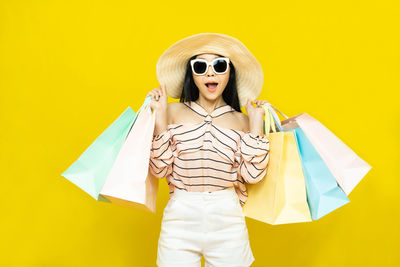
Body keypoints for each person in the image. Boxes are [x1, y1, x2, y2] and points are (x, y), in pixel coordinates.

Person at [147, 33, 270, 267]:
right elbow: (159, 170)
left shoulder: (243, 120)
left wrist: (256, 124)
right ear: (192, 74)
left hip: (228, 219)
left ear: (229, 72)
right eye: (201, 66)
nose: (210, 73)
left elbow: (254, 176)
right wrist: (159, 118)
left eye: (219, 65)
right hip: (180, 217)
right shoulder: (171, 112)